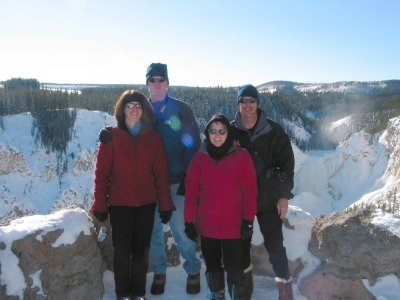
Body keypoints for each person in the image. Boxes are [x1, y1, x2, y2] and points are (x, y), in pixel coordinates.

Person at [99, 63, 202, 295]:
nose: (157, 83)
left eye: (161, 79)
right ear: (147, 83)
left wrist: (188, 175)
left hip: (175, 181)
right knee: (153, 231)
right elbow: (126, 127)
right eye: (152, 79)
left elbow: (192, 142)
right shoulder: (142, 109)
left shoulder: (179, 110)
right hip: (147, 184)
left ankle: (193, 270)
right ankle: (159, 271)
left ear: (167, 82)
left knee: (180, 228)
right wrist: (109, 132)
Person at [91, 89, 175, 300]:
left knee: (140, 252)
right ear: (122, 109)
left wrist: (165, 203)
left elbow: (161, 174)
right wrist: (99, 204)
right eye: (130, 105)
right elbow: (101, 175)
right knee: (121, 252)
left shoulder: (152, 139)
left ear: (143, 110)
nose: (134, 109)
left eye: (138, 105)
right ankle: (123, 294)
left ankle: (138, 293)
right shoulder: (111, 137)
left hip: (146, 205)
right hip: (120, 205)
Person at [231, 84, 295, 300]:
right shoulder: (229, 131)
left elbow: (287, 163)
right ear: (238, 104)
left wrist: (284, 195)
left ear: (258, 103)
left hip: (268, 199)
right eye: (243, 100)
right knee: (239, 246)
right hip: (240, 201)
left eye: (251, 100)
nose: (247, 105)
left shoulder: (274, 130)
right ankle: (244, 289)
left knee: (276, 246)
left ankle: (285, 291)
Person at [184, 113, 257, 300]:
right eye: (213, 131)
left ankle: (236, 295)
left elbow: (250, 191)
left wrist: (248, 220)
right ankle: (217, 293)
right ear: (207, 133)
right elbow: (191, 192)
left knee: (235, 266)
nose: (217, 135)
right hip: (208, 226)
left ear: (228, 133)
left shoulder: (241, 156)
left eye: (222, 131)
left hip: (234, 225)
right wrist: (188, 220)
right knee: (213, 263)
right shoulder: (199, 158)